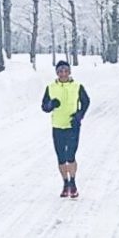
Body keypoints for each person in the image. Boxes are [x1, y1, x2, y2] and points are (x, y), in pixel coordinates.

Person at [41, 59, 90, 198]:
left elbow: (86, 102)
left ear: (69, 72)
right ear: (57, 73)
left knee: (71, 156)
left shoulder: (77, 86)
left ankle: (73, 183)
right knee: (61, 158)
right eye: (60, 71)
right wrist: (50, 104)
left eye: (65, 71)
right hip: (57, 126)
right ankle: (65, 183)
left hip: (72, 126)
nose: (63, 74)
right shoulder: (50, 87)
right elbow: (44, 107)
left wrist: (79, 115)